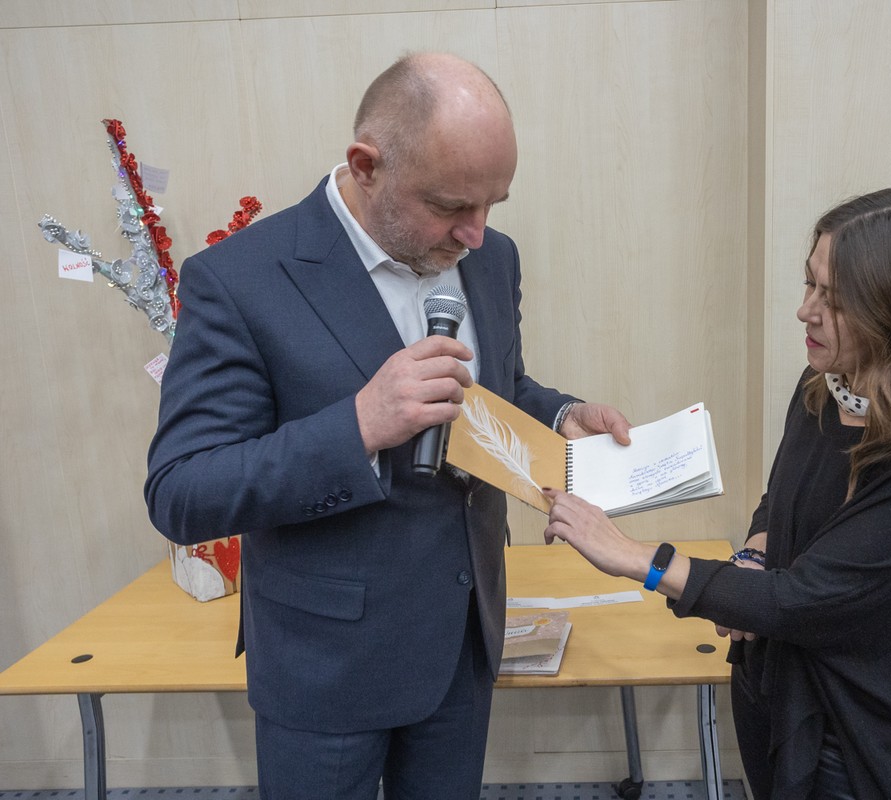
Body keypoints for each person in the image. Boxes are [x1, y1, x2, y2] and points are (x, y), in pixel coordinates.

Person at [144, 52, 630, 800]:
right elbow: (183, 491)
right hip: (325, 663)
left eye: (493, 203)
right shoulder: (239, 279)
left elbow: (492, 389)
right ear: (365, 165)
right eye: (451, 205)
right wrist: (360, 425)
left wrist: (561, 414)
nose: (476, 232)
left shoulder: (492, 258)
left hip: (462, 639)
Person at [542, 188, 891, 799]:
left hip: (852, 735)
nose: (804, 311)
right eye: (810, 283)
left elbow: (806, 598)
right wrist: (753, 554)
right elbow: (781, 501)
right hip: (771, 687)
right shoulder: (823, 387)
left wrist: (638, 558)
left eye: (833, 299)